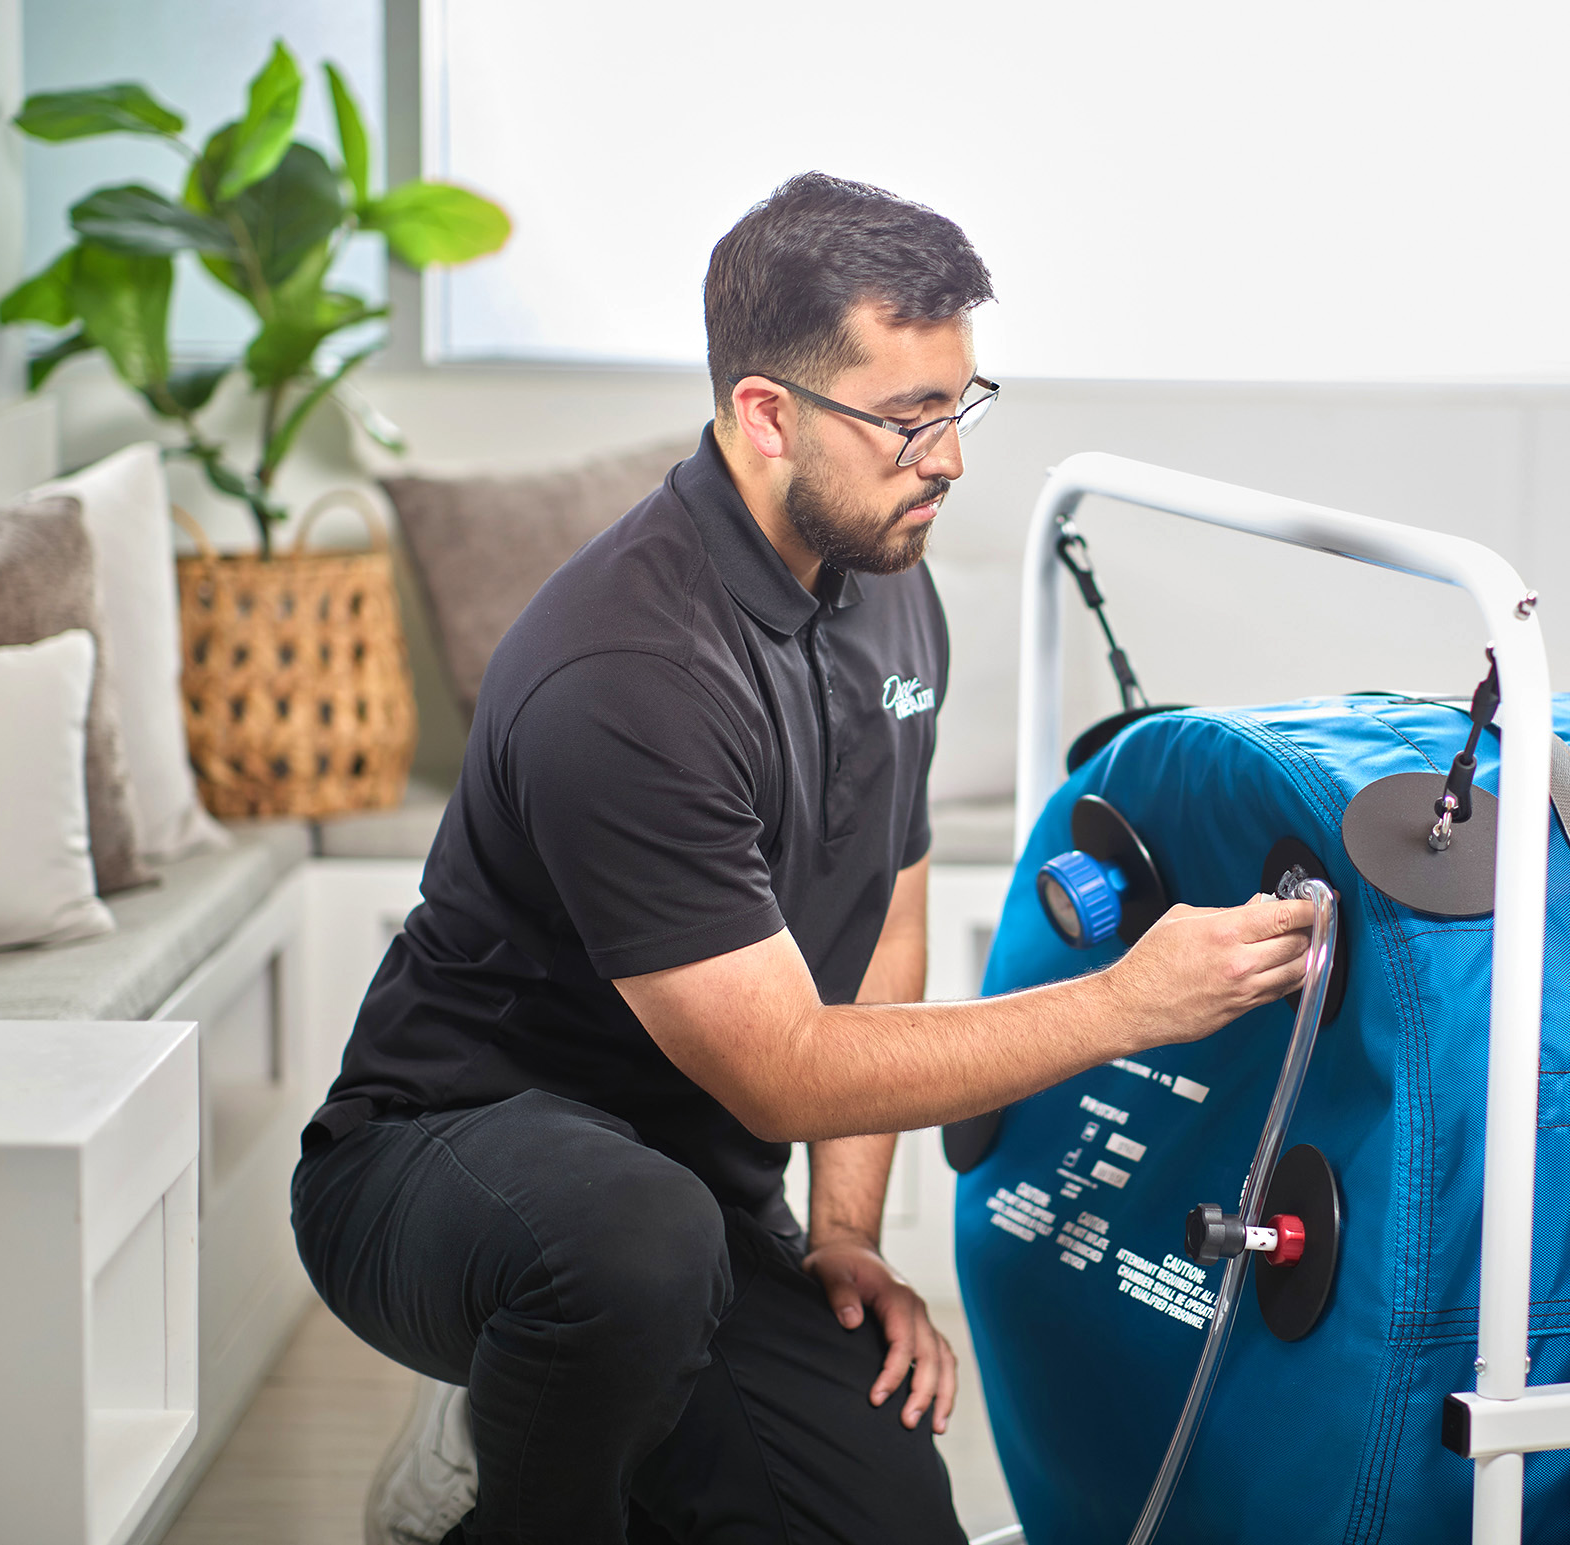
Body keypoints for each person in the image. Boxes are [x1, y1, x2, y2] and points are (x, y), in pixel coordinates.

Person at [291, 172, 1316, 1545]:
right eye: (904, 420)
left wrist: (841, 1229)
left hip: (689, 1200)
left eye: (960, 405)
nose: (947, 456)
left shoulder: (894, 589)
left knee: (886, 1519)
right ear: (766, 415)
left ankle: (589, 1405)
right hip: (443, 1162)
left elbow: (884, 926)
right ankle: (487, 1469)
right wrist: (1129, 1003)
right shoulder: (627, 668)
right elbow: (778, 1061)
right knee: (623, 1249)